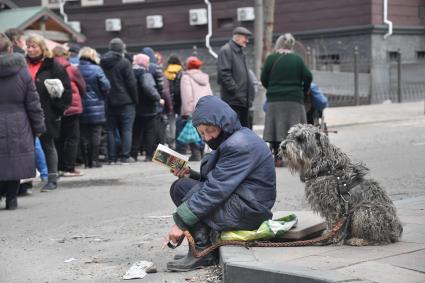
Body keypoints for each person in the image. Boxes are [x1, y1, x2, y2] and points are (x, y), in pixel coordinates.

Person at [163, 95, 276, 271]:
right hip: (243, 202)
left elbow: (215, 189)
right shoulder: (234, 138)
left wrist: (180, 223)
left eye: (210, 130)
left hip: (249, 210)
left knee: (188, 190)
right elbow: (221, 180)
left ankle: (203, 251)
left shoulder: (238, 144)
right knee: (182, 186)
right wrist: (190, 174)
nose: (207, 137)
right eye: (202, 133)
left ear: (223, 123)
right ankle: (204, 246)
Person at [0, 35, 45, 209]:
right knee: (15, 160)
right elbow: (33, 102)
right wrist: (39, 125)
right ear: (10, 49)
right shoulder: (22, 70)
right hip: (19, 121)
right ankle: (12, 199)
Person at [25, 35, 72, 191]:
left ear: (41, 47)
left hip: (47, 111)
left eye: (34, 46)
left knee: (47, 144)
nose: (31, 49)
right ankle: (26, 180)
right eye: (28, 46)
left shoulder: (53, 65)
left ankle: (52, 179)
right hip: (24, 111)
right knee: (26, 146)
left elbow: (66, 90)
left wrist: (58, 108)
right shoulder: (22, 64)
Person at [261, 33, 312, 167]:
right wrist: (303, 90)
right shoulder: (298, 60)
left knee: (275, 129)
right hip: (294, 100)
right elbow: (308, 77)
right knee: (295, 130)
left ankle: (277, 158)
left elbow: (263, 78)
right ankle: (296, 157)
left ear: (278, 44)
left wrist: (272, 89)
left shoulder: (271, 59)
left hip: (275, 101)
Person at [100, 38, 138, 164]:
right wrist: (135, 99)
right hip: (125, 100)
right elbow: (131, 83)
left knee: (110, 130)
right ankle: (125, 156)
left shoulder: (102, 62)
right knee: (127, 129)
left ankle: (112, 157)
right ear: (121, 48)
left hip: (108, 100)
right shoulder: (124, 62)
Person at [52, 46, 86, 177]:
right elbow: (82, 86)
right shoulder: (71, 68)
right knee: (72, 138)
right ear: (66, 55)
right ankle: (69, 168)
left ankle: (59, 167)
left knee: (58, 138)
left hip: (55, 107)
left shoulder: (50, 68)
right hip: (72, 106)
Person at [78, 47, 111, 168]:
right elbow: (106, 86)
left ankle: (86, 162)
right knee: (96, 133)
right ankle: (94, 160)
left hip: (81, 106)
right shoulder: (97, 69)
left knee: (83, 134)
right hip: (97, 105)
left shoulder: (75, 68)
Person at [217, 26, 255, 129]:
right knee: (235, 133)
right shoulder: (227, 50)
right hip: (234, 101)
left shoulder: (239, 51)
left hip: (242, 101)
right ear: (237, 37)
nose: (247, 41)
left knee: (245, 133)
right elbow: (225, 74)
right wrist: (236, 92)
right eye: (245, 38)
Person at [130, 53, 164, 161]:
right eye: (147, 62)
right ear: (144, 62)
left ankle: (133, 154)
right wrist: (158, 98)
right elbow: (149, 88)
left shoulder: (130, 72)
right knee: (150, 131)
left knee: (136, 132)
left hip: (135, 107)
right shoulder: (145, 73)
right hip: (148, 107)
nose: (149, 64)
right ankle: (149, 155)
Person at [179, 56, 213, 161]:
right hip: (207, 107)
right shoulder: (205, 77)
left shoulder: (186, 77)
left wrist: (187, 111)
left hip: (194, 108)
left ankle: (196, 153)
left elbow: (187, 95)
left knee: (193, 131)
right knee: (204, 131)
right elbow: (210, 93)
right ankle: (202, 153)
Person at [163, 55, 184, 152]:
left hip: (169, 101)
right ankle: (180, 142)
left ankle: (171, 142)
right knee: (180, 122)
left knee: (171, 123)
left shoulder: (165, 72)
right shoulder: (181, 72)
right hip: (179, 100)